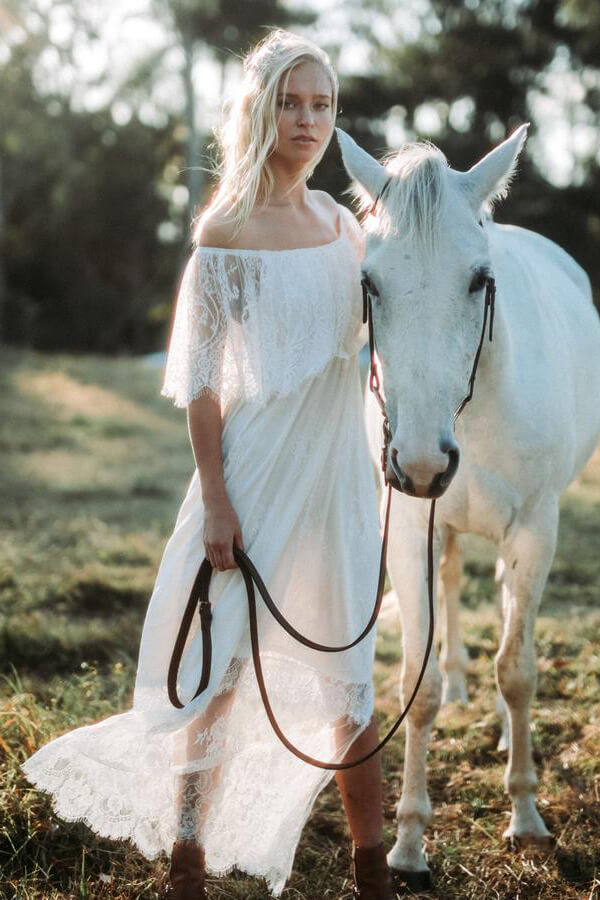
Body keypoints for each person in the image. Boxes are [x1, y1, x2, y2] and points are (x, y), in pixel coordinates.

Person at [21, 27, 397, 900]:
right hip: (256, 471)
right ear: (261, 109)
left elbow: (373, 334)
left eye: (323, 104)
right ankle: (187, 861)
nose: (309, 120)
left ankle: (371, 868)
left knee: (351, 675)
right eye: (292, 102)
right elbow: (199, 385)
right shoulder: (226, 231)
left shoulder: (346, 226)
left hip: (341, 473)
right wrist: (218, 503)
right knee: (222, 668)